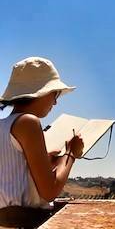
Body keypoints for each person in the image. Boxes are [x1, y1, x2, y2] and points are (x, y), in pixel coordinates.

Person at [0, 57, 84, 228]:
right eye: (55, 94)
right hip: (25, 223)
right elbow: (49, 191)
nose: (55, 101)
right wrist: (70, 154)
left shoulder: (4, 125)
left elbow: (13, 174)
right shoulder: (29, 122)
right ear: (41, 92)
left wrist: (49, 161)